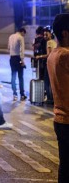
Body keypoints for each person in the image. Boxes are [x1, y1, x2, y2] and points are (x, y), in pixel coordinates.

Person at [47, 13, 69, 183]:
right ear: (65, 33)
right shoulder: (65, 56)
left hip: (60, 119)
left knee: (65, 167)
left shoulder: (53, 55)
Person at [8, 27, 27, 101]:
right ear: (22, 32)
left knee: (13, 76)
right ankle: (22, 94)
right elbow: (22, 50)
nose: (24, 36)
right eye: (24, 34)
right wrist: (22, 61)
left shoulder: (10, 37)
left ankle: (14, 94)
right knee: (20, 77)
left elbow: (8, 48)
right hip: (18, 58)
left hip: (12, 58)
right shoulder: (20, 37)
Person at [44, 29, 56, 104]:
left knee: (47, 81)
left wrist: (40, 56)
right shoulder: (55, 42)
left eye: (46, 34)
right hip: (54, 64)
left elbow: (48, 54)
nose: (45, 36)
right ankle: (53, 98)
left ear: (50, 34)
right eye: (44, 35)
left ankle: (49, 98)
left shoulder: (48, 42)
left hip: (49, 64)